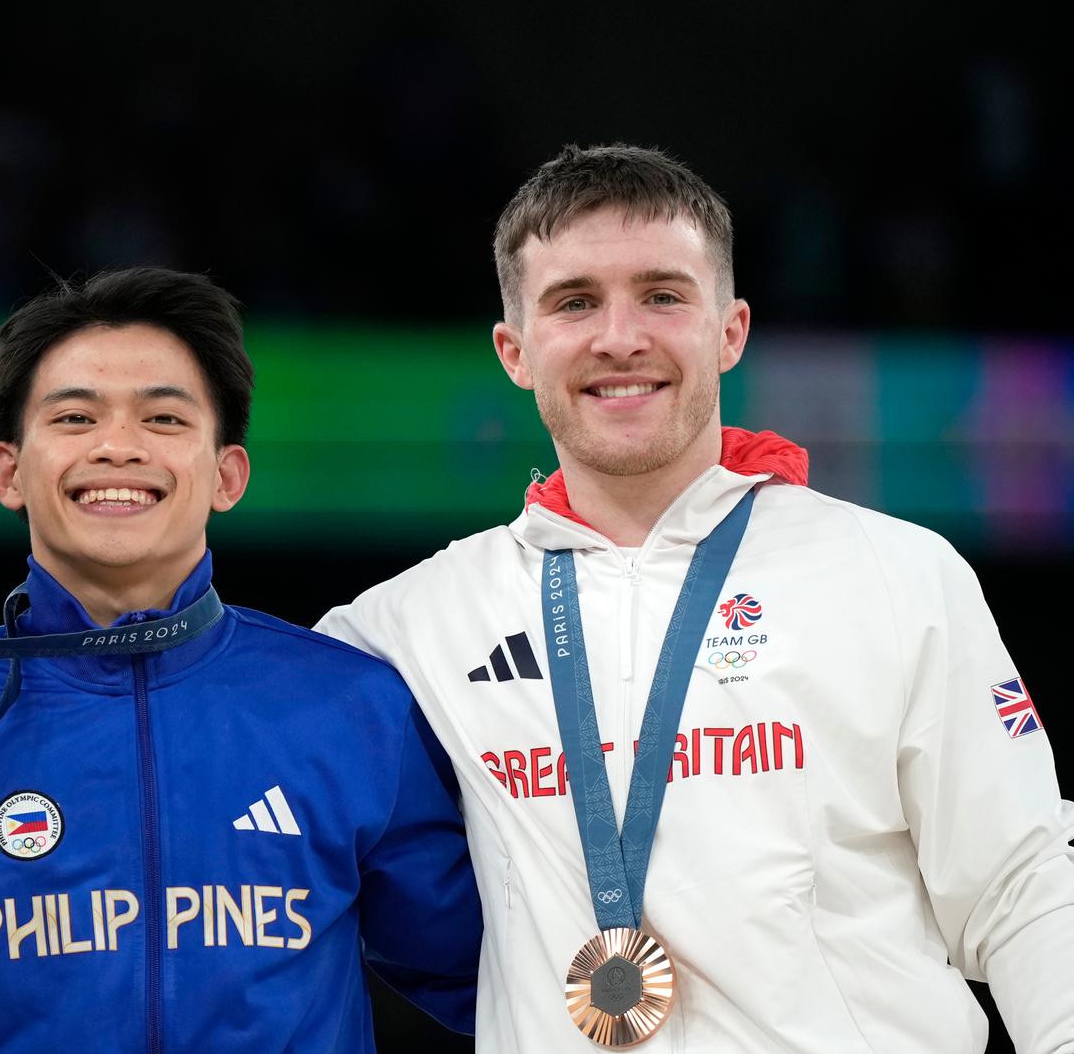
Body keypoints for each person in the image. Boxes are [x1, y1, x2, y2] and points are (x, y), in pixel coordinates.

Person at [317, 144, 1074, 1052]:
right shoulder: (410, 624)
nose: (621, 337)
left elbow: (1023, 884)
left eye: (663, 295)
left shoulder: (898, 573)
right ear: (513, 351)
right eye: (575, 302)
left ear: (731, 329)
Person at [0, 267, 482, 1052]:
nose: (118, 447)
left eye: (162, 418)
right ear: (7, 471)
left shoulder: (353, 705)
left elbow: (482, 978)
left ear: (227, 474)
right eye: (77, 416)